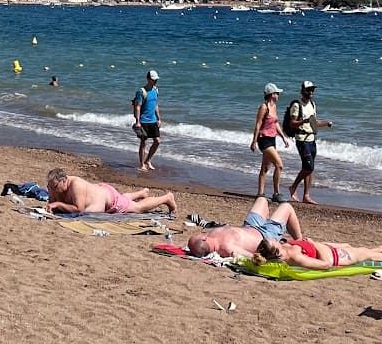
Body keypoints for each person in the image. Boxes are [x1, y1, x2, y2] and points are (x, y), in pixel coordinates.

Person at [186, 196, 303, 258]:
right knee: (286, 207)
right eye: (198, 235)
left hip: (251, 225)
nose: (200, 233)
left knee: (262, 200)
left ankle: (271, 221)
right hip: (266, 235)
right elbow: (251, 256)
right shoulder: (227, 248)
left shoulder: (212, 236)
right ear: (203, 239)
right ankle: (301, 243)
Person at [45, 168, 176, 215]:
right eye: (50, 187)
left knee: (137, 208)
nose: (52, 189)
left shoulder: (75, 185)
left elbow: (78, 209)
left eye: (55, 187)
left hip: (110, 199)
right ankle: (141, 193)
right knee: (124, 198)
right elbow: (52, 203)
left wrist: (58, 205)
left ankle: (166, 198)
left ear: (64, 180)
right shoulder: (53, 186)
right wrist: (52, 204)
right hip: (101, 192)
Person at [284, 80, 332, 204]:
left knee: (310, 169)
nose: (311, 92)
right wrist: (303, 122)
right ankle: (293, 186)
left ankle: (306, 195)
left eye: (312, 90)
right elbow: (292, 124)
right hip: (301, 139)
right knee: (308, 167)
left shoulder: (313, 104)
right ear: (303, 91)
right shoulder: (296, 105)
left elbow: (314, 122)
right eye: (309, 90)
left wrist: (326, 123)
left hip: (312, 139)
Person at [256, 236, 382, 270]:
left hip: (329, 248)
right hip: (334, 257)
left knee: (351, 245)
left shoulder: (285, 248)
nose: (275, 238)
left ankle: (372, 250)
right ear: (275, 250)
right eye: (273, 240)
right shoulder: (295, 256)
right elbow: (325, 264)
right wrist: (313, 243)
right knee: (364, 254)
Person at [249, 82, 289, 200]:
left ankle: (260, 194)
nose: (278, 95)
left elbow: (275, 123)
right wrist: (254, 141)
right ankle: (276, 193)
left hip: (272, 139)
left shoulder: (274, 107)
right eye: (277, 93)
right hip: (264, 140)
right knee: (279, 165)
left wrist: (283, 137)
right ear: (272, 94)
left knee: (265, 168)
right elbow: (258, 124)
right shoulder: (264, 107)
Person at [132, 69, 162, 172]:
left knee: (157, 141)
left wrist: (159, 118)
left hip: (153, 121)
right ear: (148, 79)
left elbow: (155, 105)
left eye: (156, 80)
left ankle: (148, 160)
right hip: (143, 121)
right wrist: (137, 121)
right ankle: (142, 164)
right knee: (143, 142)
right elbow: (138, 107)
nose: (155, 81)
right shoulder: (141, 92)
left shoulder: (156, 90)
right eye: (153, 80)